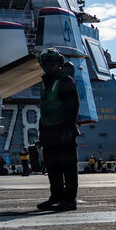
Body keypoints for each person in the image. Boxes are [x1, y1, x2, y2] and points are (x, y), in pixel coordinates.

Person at [36, 48, 80, 212]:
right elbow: (45, 107)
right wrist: (42, 131)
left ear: (59, 63)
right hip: (48, 131)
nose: (47, 65)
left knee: (68, 167)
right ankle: (56, 196)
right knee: (52, 166)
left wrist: (68, 131)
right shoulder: (45, 82)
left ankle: (69, 200)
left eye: (51, 62)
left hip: (63, 129)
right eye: (45, 62)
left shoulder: (65, 81)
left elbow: (73, 107)